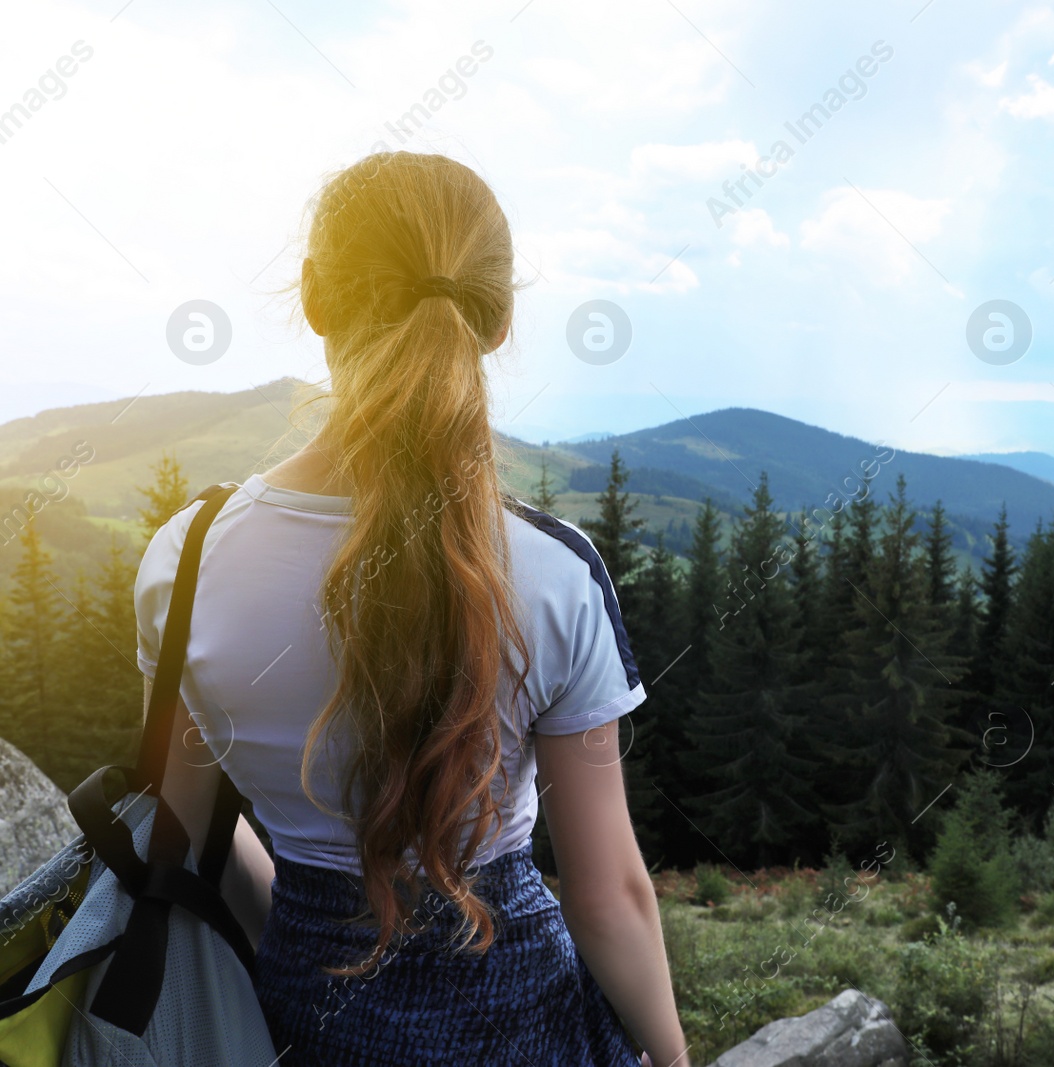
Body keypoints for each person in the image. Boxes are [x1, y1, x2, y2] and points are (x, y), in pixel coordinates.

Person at [136, 151, 688, 1066]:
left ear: (315, 297)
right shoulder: (555, 573)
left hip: (302, 1026)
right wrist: (671, 1059)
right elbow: (608, 894)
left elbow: (185, 834)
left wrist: (316, 921)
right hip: (529, 1027)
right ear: (500, 319)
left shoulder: (187, 562)